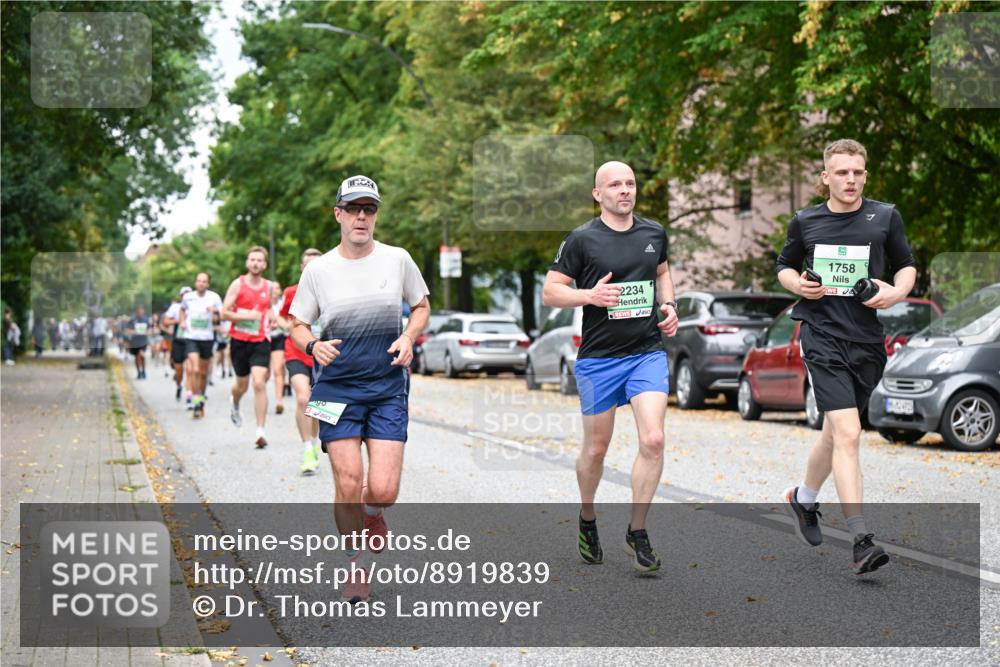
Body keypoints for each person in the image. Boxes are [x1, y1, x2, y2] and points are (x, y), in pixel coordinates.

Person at [776, 139, 916, 575]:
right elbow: (783, 266)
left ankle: (803, 498)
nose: (850, 180)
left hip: (867, 341)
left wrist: (896, 292)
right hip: (821, 335)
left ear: (865, 176)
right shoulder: (806, 221)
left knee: (836, 433)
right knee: (850, 433)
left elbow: (907, 264)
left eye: (857, 172)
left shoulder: (885, 216)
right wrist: (798, 285)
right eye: (841, 172)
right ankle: (861, 539)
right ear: (826, 177)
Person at [289, 175, 430, 602]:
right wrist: (312, 345)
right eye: (353, 209)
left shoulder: (397, 259)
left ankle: (373, 513)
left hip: (388, 386)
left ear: (376, 215)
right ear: (338, 214)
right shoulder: (318, 270)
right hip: (333, 388)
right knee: (348, 481)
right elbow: (297, 324)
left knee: (384, 490)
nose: (361, 217)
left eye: (369, 209)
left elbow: (421, 306)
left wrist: (409, 336)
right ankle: (356, 566)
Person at [541, 161, 679, 573]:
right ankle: (587, 518)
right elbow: (551, 292)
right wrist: (590, 296)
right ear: (598, 194)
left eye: (630, 183)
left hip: (646, 352)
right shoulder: (582, 239)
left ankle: (638, 530)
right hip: (599, 360)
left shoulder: (653, 234)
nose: (625, 190)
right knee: (596, 449)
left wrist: (669, 305)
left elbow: (662, 273)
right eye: (615, 184)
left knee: (653, 439)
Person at [223, 246, 275, 447]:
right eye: (252, 259)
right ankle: (235, 402)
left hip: (260, 340)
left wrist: (271, 318)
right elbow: (224, 313)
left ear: (264, 264)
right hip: (239, 341)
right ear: (247, 262)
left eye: (259, 260)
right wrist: (247, 316)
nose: (255, 263)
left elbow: (268, 308)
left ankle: (260, 431)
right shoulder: (238, 284)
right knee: (241, 385)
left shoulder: (269, 287)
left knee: (259, 382)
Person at [279, 248, 324, 474]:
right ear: (302, 268)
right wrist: (288, 326)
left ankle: (314, 443)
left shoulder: (332, 291)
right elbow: (281, 316)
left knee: (319, 404)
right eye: (308, 265)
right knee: (303, 397)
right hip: (296, 351)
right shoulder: (291, 292)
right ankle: (307, 450)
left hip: (323, 354)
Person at [181, 273, 223, 419]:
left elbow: (220, 317)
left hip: (207, 338)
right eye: (199, 281)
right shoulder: (188, 297)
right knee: (195, 369)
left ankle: (201, 400)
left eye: (204, 281)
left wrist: (215, 312)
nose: (201, 283)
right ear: (195, 283)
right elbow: (182, 309)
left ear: (208, 284)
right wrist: (182, 321)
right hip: (191, 337)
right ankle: (196, 402)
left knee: (204, 373)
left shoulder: (214, 297)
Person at [162, 288, 191, 401]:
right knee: (179, 370)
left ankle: (189, 394)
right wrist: (179, 321)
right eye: (184, 295)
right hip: (178, 340)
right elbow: (165, 322)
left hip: (191, 340)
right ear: (181, 296)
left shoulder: (196, 306)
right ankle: (179, 386)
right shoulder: (175, 307)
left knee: (190, 369)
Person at [268, 281, 287, 415]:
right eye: (272, 288)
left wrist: (279, 324)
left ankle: (279, 401)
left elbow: (289, 321)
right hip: (264, 339)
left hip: (279, 338)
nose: (275, 290)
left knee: (277, 369)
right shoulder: (263, 304)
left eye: (277, 288)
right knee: (264, 374)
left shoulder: (283, 304)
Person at [126, 305, 151, 379]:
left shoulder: (146, 319)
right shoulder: (132, 319)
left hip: (143, 341)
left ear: (143, 311)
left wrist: (148, 332)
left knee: (142, 355)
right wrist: (135, 331)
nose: (140, 312)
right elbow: (128, 330)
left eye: (141, 310)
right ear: (136, 311)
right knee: (137, 357)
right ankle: (139, 372)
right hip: (135, 341)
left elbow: (149, 329)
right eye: (139, 311)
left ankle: (143, 370)